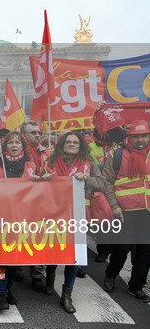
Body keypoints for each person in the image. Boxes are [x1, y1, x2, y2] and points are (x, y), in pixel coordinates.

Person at [40, 131, 107, 313]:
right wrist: (43, 180)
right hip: (55, 215)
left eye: (75, 142)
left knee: (74, 256)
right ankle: (51, 276)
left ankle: (67, 295)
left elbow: (102, 184)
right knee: (55, 251)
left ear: (80, 146)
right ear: (61, 144)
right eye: (68, 142)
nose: (71, 144)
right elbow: (37, 186)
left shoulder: (88, 164)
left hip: (78, 215)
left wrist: (87, 179)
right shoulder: (49, 163)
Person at [0, 131, 36, 310]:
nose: (14, 145)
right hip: (1, 220)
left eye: (17, 142)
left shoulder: (31, 166)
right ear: (4, 146)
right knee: (2, 260)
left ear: (23, 146)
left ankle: (8, 287)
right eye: (10, 143)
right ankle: (0, 293)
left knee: (15, 259)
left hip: (22, 220)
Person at [102, 120, 150, 302]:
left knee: (146, 252)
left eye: (144, 135)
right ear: (129, 137)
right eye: (136, 136)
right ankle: (110, 275)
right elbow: (107, 183)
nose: (140, 139)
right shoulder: (117, 155)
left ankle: (136, 286)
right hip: (124, 212)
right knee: (122, 248)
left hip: (148, 212)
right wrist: (113, 205)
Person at [19, 120, 49, 289]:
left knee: (39, 238)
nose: (38, 135)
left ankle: (37, 274)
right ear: (24, 135)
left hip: (40, 203)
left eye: (39, 132)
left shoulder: (46, 153)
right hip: (22, 203)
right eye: (33, 133)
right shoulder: (18, 152)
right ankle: (17, 267)